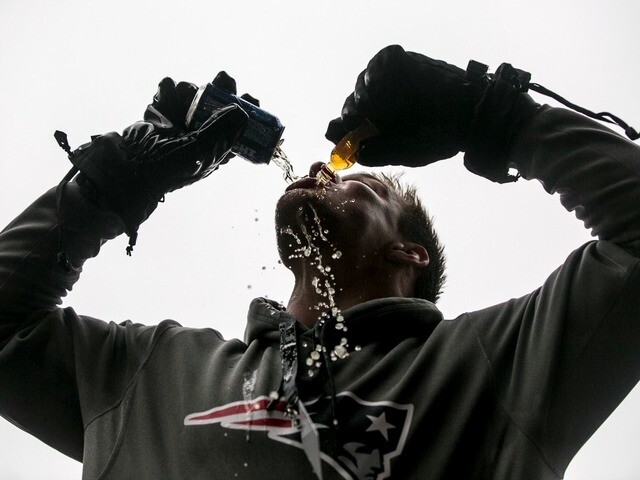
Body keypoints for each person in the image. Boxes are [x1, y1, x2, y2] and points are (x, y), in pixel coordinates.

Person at [1, 44, 639, 480]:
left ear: (408, 253)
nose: (317, 171)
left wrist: (495, 115)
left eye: (363, 186)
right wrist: (109, 184)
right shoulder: (150, 372)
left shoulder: (495, 368)